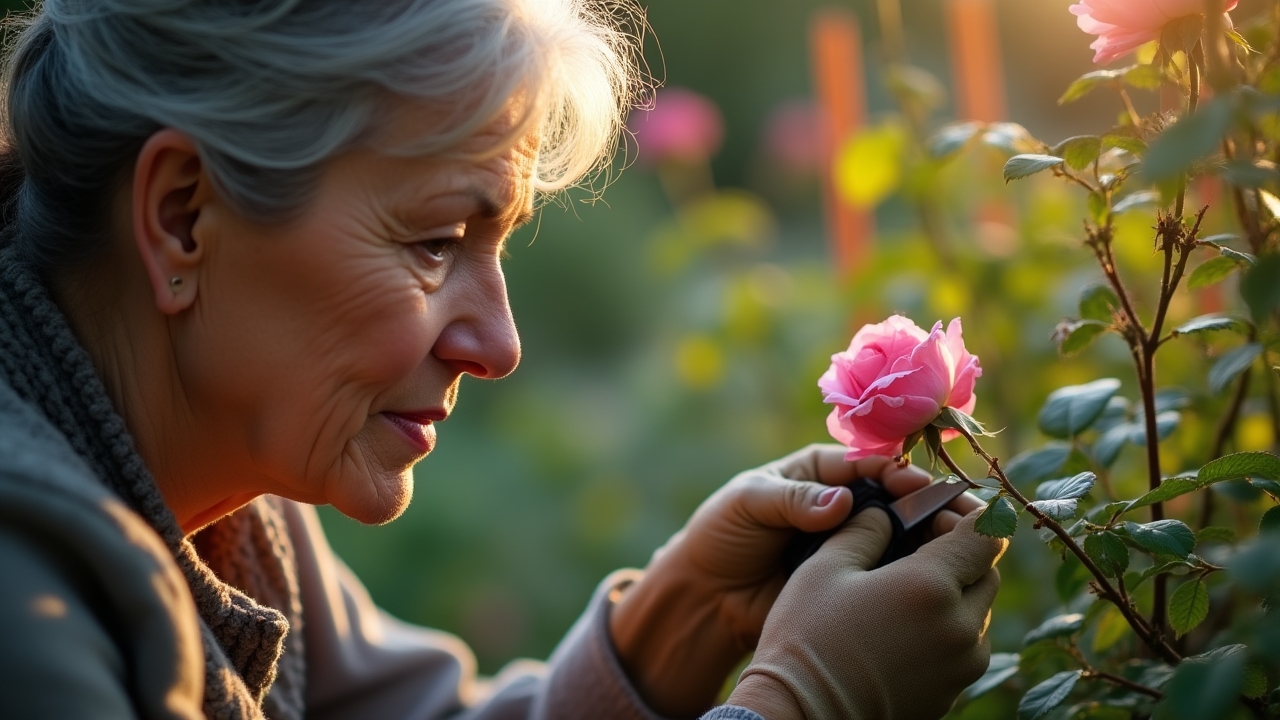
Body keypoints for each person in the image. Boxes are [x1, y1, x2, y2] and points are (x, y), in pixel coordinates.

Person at [0, 1, 1006, 718]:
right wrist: (806, 702)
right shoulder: (24, 594)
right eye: (434, 240)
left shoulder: (231, 511)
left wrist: (682, 620)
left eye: (499, 241)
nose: (499, 345)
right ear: (182, 218)